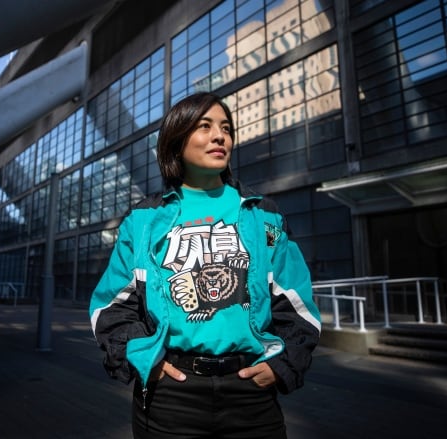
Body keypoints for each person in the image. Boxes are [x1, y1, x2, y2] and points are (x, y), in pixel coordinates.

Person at [89, 92, 321, 438]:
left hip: (252, 394)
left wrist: (281, 365)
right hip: (170, 396)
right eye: (205, 126)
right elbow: (111, 307)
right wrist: (145, 360)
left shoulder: (263, 215)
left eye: (226, 128)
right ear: (176, 139)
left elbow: (297, 304)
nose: (220, 136)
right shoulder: (143, 220)